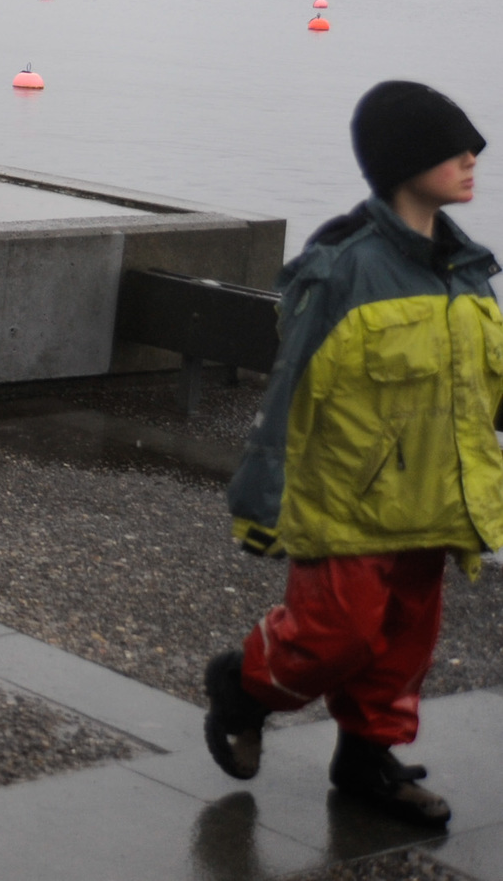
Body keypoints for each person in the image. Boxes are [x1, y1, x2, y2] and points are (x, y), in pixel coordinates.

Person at [203, 81, 500, 826]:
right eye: (452, 150)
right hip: (345, 501)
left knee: (404, 643)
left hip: (431, 500)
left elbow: (482, 387)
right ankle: (244, 685)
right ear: (403, 164)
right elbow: (288, 394)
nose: (471, 160)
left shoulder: (468, 271)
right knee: (331, 638)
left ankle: (367, 759)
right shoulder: (342, 269)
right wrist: (262, 500)